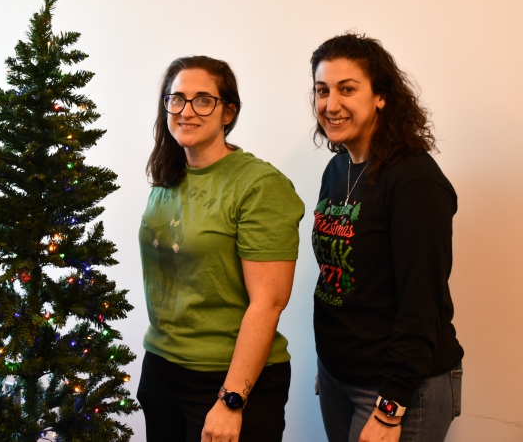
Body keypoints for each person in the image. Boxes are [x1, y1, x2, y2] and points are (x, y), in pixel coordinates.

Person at [136, 56, 305, 442]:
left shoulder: (259, 185)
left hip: (227, 380)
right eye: (176, 99)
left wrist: (232, 400)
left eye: (203, 100)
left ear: (228, 111)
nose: (186, 110)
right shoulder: (169, 175)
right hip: (162, 369)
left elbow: (269, 303)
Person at [309, 33, 463, 442]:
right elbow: (335, 275)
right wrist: (331, 363)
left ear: (380, 96)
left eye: (347, 89)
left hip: (401, 389)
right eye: (322, 90)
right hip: (339, 376)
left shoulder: (414, 181)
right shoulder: (338, 169)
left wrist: (391, 406)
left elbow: (421, 303)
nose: (331, 104)